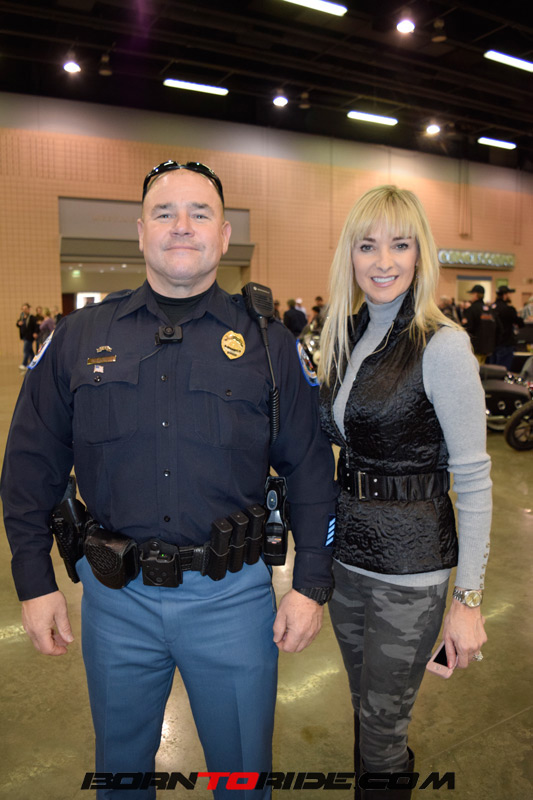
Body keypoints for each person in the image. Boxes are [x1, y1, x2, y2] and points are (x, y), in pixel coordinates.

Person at [1, 160, 337, 800]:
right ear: (140, 231)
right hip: (115, 600)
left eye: (199, 213)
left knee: (242, 778)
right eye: (164, 212)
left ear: (224, 235)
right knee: (121, 776)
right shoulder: (78, 337)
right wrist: (33, 578)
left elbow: (312, 468)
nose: (182, 226)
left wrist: (311, 583)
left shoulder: (269, 344)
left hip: (232, 601)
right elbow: (29, 465)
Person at [317, 185, 491, 799]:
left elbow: (474, 480)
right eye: (367, 246)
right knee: (365, 711)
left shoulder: (443, 345)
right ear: (350, 255)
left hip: (413, 571)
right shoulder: (345, 336)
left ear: (421, 254)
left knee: (383, 734)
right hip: (347, 562)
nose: (383, 261)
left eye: (400, 244)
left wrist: (468, 601)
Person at [461, 284, 498, 363]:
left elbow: (468, 327)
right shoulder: (490, 310)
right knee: (483, 368)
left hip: (476, 347)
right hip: (488, 347)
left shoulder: (472, 309)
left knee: (475, 368)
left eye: (472, 294)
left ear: (475, 294)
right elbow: (497, 327)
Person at [489, 286, 524, 370]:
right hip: (506, 343)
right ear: (505, 295)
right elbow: (520, 323)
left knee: (492, 370)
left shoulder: (491, 308)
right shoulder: (508, 309)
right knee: (503, 369)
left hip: (492, 344)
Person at [15, 302, 38, 369]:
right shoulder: (22, 317)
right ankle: (34, 363)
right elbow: (17, 324)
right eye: (23, 309)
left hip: (29, 337)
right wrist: (18, 323)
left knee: (25, 350)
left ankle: (24, 364)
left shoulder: (32, 317)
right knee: (30, 351)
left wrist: (35, 332)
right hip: (24, 336)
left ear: (28, 309)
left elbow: (36, 326)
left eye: (26, 309)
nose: (24, 310)